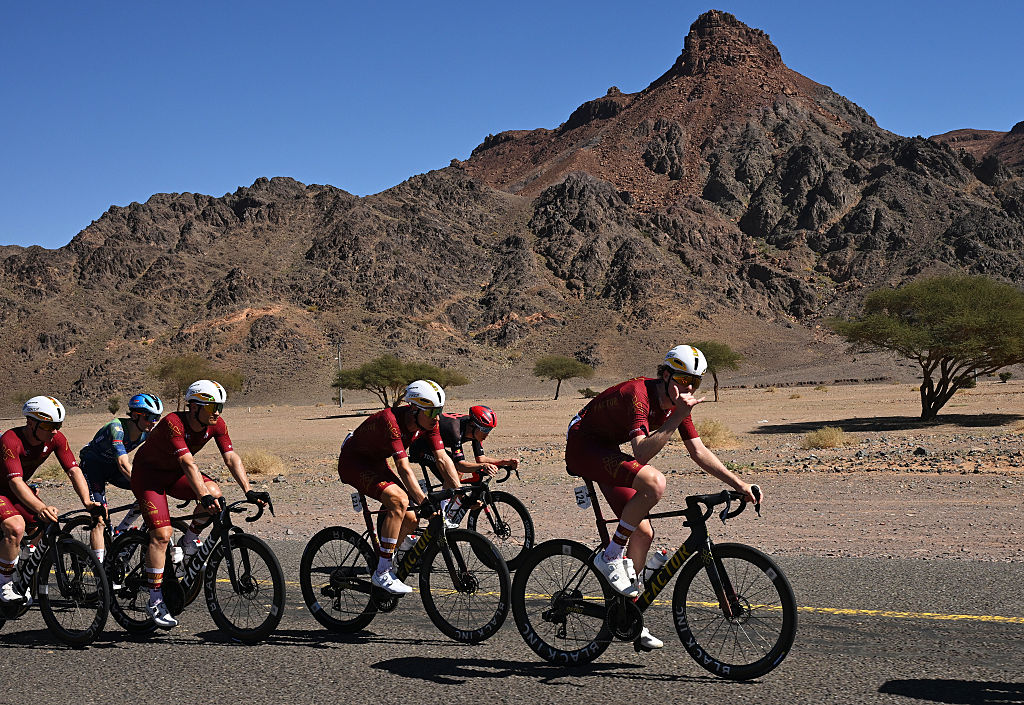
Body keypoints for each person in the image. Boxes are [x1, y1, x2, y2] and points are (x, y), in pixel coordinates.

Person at [565, 345, 758, 650]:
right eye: (683, 380)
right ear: (666, 375)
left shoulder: (675, 403)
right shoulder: (637, 394)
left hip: (607, 449)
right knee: (654, 483)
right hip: (583, 444)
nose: (689, 388)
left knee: (642, 532)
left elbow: (698, 451)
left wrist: (739, 483)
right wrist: (676, 417)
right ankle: (610, 555)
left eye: (695, 382)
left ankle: (627, 612)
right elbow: (641, 452)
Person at [129, 380, 269, 629]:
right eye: (211, 407)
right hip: (148, 476)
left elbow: (231, 457)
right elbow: (188, 463)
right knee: (161, 535)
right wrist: (201, 495)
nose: (216, 412)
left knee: (214, 492)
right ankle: (155, 599)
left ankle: (189, 540)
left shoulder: (217, 424)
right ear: (193, 407)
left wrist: (248, 490)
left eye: (220, 407)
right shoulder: (174, 422)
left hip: (173, 474)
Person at [337, 379, 460, 595]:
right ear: (414, 409)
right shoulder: (390, 420)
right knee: (399, 501)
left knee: (412, 518)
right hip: (353, 462)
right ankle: (382, 572)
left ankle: (387, 557)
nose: (437, 417)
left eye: (439, 411)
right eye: (432, 412)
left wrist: (458, 493)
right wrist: (424, 502)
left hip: (375, 462)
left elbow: (442, 459)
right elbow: (403, 467)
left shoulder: (430, 423)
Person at [0, 396, 103, 603]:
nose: (54, 430)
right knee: (16, 527)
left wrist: (88, 502)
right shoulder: (10, 440)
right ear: (31, 422)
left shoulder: (56, 439)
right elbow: (16, 483)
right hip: (8, 487)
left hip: (15, 489)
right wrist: (41, 506)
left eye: (58, 425)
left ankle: (24, 568)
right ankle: (5, 582)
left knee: (45, 523)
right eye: (49, 425)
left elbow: (74, 471)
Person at [79, 393, 164, 562]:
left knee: (150, 490)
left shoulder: (147, 432)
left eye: (157, 417)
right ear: (135, 415)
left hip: (111, 468)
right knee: (100, 518)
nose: (153, 422)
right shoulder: (116, 428)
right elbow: (124, 464)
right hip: (92, 466)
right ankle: (99, 568)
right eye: (150, 417)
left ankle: (121, 530)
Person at [408, 404, 520, 524]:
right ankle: (442, 512)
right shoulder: (455, 430)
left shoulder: (475, 431)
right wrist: (483, 467)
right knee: (455, 471)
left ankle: (442, 502)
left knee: (455, 476)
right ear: (473, 425)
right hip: (420, 448)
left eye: (489, 430)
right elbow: (460, 465)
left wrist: (504, 462)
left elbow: (481, 459)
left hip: (433, 446)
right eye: (485, 430)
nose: (487, 434)